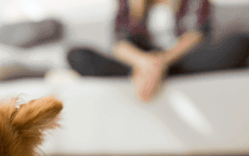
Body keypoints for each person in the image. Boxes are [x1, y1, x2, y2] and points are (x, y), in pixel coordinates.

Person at [67, 0, 249, 101]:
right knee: (76, 55)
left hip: (182, 59)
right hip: (141, 60)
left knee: (240, 42)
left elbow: (195, 36)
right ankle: (147, 72)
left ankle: (154, 73)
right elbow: (119, 44)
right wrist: (146, 63)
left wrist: (161, 62)